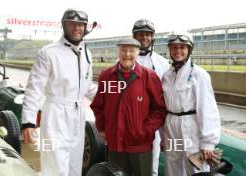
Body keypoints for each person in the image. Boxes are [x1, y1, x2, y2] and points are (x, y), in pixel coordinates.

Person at [21, 9, 97, 176]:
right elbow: (34, 89)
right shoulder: (48, 52)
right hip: (55, 115)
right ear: (64, 26)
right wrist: (28, 122)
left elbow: (87, 85)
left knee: (75, 165)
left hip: (78, 116)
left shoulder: (86, 53)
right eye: (72, 24)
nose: (77, 28)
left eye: (80, 25)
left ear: (85, 27)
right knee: (55, 167)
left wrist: (114, 95)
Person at [90, 38, 167, 176]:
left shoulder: (148, 76)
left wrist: (144, 131)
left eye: (132, 51)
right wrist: (101, 128)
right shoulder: (107, 76)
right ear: (118, 52)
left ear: (137, 53)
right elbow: (98, 105)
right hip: (115, 144)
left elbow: (159, 109)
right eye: (124, 50)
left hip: (140, 146)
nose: (127, 54)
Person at [162, 31, 221, 176]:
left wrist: (208, 142)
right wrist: (163, 137)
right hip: (172, 127)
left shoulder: (199, 75)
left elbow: (207, 109)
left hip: (191, 129)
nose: (178, 51)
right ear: (170, 49)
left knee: (195, 167)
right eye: (174, 47)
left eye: (182, 47)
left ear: (189, 50)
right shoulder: (167, 75)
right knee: (173, 163)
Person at [132, 19, 169, 176]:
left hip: (155, 119)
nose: (144, 38)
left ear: (152, 37)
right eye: (140, 34)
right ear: (134, 36)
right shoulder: (124, 59)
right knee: (130, 161)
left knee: (152, 163)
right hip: (132, 117)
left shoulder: (163, 62)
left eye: (148, 34)